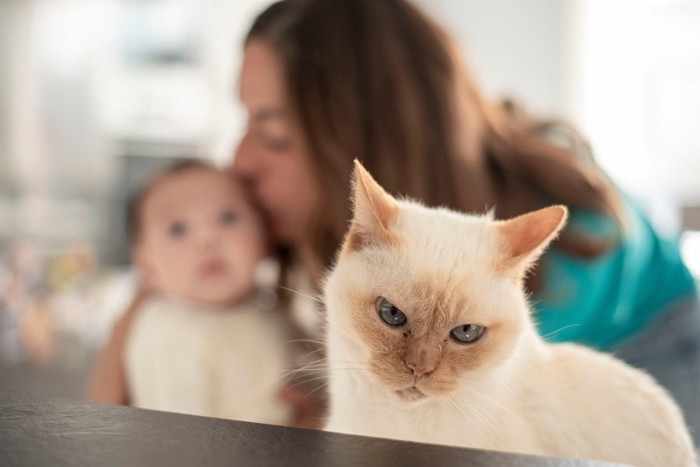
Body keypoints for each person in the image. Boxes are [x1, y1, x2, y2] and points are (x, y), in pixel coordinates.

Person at [231, 0, 700, 443]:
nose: (239, 162)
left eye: (273, 134)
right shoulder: (357, 233)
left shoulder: (572, 224)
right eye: (245, 122)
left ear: (367, 138)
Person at [88, 160, 294, 424]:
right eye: (178, 229)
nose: (208, 239)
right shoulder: (168, 331)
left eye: (228, 218)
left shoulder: (270, 304)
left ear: (265, 236)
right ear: (146, 267)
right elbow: (177, 439)